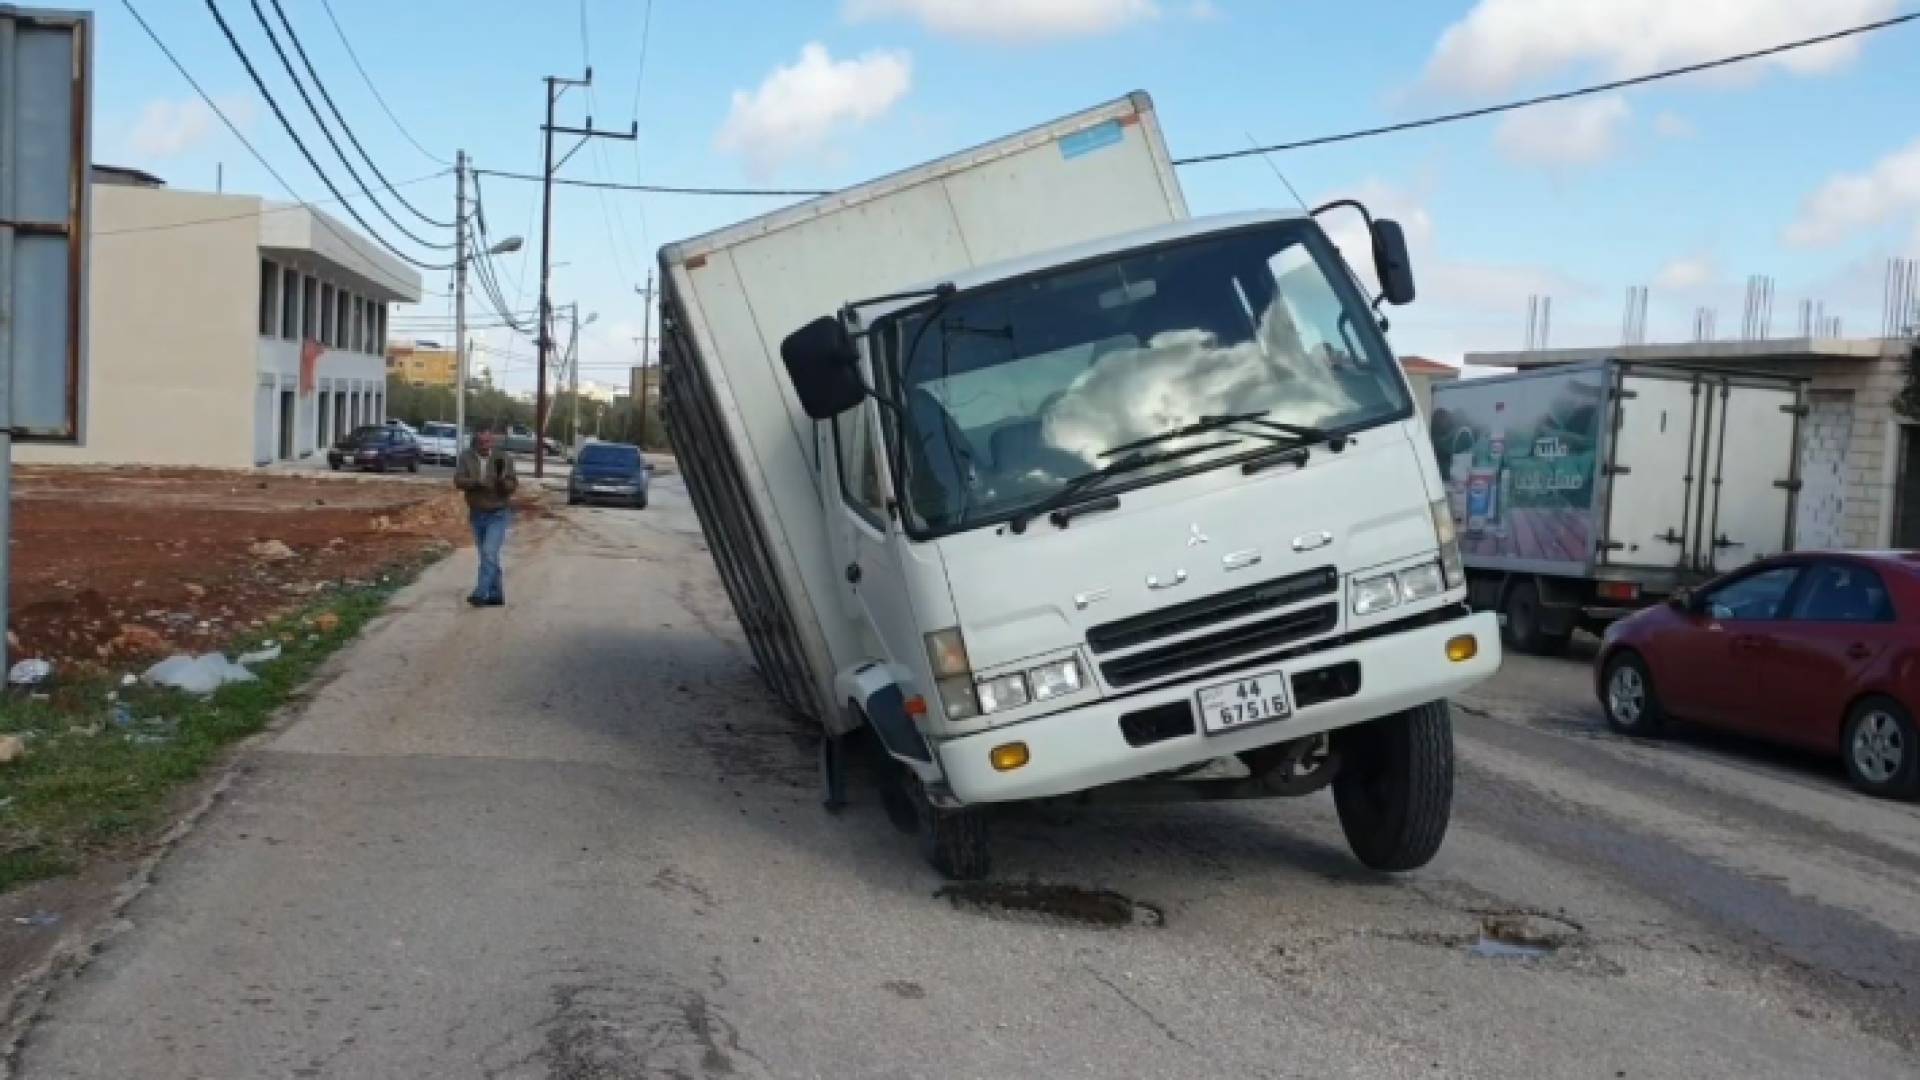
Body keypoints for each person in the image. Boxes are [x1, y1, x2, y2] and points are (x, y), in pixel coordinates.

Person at [454, 427, 517, 606]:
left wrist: (502, 483)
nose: (484, 446)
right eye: (481, 442)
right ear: (476, 441)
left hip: (498, 513)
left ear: (493, 442)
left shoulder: (503, 458)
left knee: (489, 553)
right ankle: (497, 595)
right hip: (477, 513)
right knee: (488, 556)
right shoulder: (466, 457)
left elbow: (513, 484)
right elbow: (458, 481)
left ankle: (481, 594)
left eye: (487, 442)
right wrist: (476, 483)